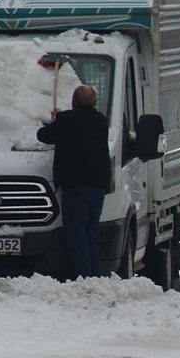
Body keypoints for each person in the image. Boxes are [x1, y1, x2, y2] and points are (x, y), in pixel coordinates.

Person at [36, 84, 110, 279]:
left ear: (73, 101)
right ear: (94, 103)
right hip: (98, 185)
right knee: (90, 233)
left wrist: (55, 121)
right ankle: (94, 275)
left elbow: (44, 136)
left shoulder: (66, 120)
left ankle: (82, 276)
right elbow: (79, 128)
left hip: (75, 185)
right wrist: (61, 120)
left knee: (76, 234)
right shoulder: (102, 121)